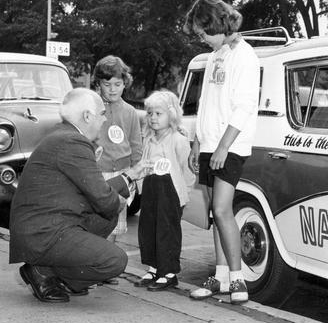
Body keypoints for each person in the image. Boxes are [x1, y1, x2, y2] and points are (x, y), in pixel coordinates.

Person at [9, 88, 143, 303]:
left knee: (105, 218)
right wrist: (118, 201)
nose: (104, 120)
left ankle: (53, 272)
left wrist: (129, 176)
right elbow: (104, 199)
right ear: (87, 116)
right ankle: (45, 273)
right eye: (101, 114)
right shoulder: (73, 142)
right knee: (115, 260)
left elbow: (94, 190)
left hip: (47, 224)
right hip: (44, 232)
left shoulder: (63, 134)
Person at [183, 0, 260, 304]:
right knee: (215, 213)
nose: (201, 39)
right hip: (211, 144)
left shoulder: (245, 56)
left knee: (223, 209)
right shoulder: (215, 55)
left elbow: (244, 107)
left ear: (217, 24)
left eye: (203, 32)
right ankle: (221, 277)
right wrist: (198, 142)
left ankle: (238, 279)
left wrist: (223, 147)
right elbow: (206, 106)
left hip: (230, 147)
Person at [134, 91, 195, 291]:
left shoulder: (178, 140)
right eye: (150, 113)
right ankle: (154, 267)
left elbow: (186, 168)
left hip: (170, 191)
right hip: (152, 189)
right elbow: (144, 164)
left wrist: (183, 193)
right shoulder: (149, 139)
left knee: (167, 231)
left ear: (172, 115)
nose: (152, 118)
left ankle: (168, 272)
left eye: (158, 113)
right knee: (149, 229)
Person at [92, 55, 142, 252]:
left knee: (115, 224)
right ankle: (92, 267)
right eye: (107, 84)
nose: (112, 89)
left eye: (117, 84)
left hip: (123, 175)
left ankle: (105, 265)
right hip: (97, 173)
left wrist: (138, 179)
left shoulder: (130, 112)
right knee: (95, 222)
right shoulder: (93, 108)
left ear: (125, 84)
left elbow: (136, 146)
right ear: (99, 84)